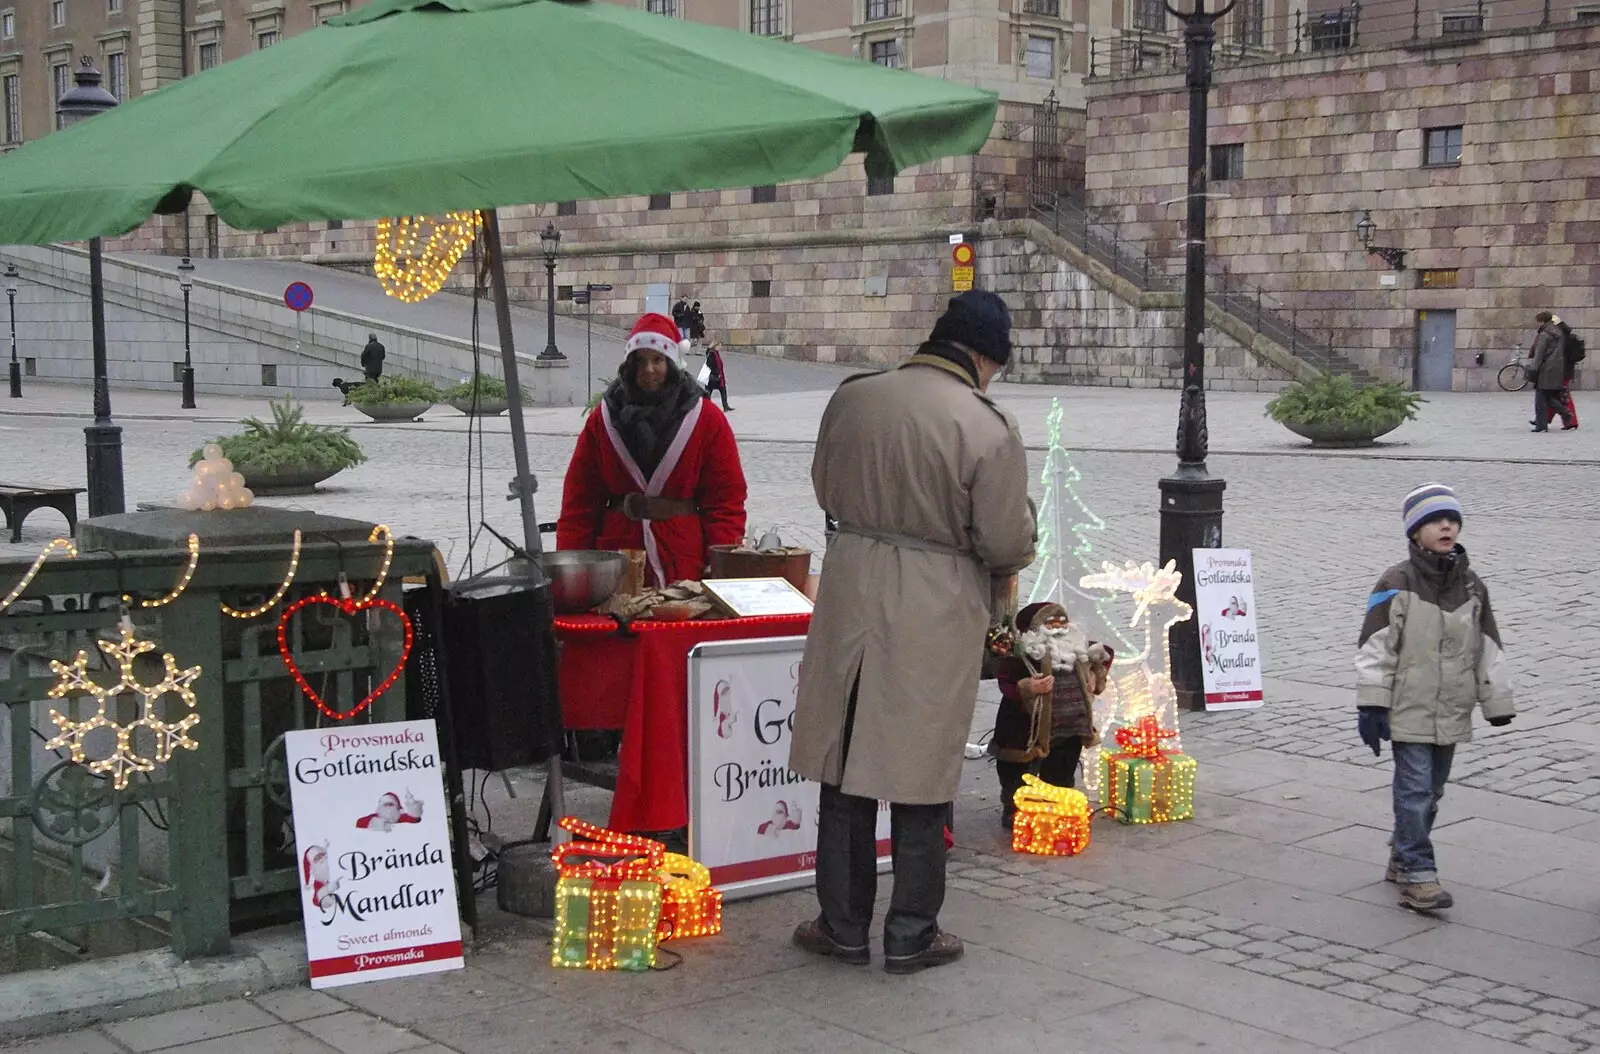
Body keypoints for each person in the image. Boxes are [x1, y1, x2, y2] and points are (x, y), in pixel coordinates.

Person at [788, 290, 1036, 974]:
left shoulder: (855, 397)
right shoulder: (987, 426)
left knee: (846, 765)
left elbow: (824, 486)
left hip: (852, 585)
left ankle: (840, 925)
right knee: (921, 772)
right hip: (934, 601)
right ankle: (910, 931)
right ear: (984, 357)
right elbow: (1006, 540)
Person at [1355, 483, 1513, 913]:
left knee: (1433, 792)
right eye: (1434, 521)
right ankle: (1419, 875)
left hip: (1452, 709)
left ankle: (1401, 853)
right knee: (1415, 791)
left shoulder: (1473, 587)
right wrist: (1372, 703)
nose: (1446, 526)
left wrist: (1496, 700)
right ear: (1415, 533)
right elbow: (1376, 645)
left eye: (1452, 520)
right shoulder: (1396, 582)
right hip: (1408, 707)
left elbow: (1488, 646)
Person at [556, 312, 747, 586]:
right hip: (616, 561)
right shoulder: (604, 419)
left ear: (671, 363)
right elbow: (580, 501)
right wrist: (573, 570)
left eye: (657, 360)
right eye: (640, 361)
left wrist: (720, 566)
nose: (649, 370)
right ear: (629, 365)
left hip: (683, 563)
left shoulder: (705, 419)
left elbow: (725, 500)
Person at [989, 602, 1113, 828]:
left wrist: (1096, 673)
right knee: (1019, 773)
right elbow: (1006, 681)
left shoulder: (1076, 648)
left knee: (1061, 771)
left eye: (1061, 622)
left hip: (1070, 728)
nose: (1057, 627)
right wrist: (1027, 687)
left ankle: (1058, 805)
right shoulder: (1024, 654)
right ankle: (1016, 809)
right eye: (1050, 623)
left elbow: (1105, 653)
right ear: (1034, 628)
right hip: (1026, 730)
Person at [1527, 312, 1573, 432]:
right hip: (1557, 368)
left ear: (1542, 321)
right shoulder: (1559, 332)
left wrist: (1534, 369)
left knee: (1541, 397)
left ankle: (1541, 426)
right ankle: (1565, 413)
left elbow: (1539, 354)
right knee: (1548, 396)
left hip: (1546, 368)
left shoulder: (1545, 334)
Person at [356, 790, 423, 831]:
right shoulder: (374, 817)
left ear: (397, 807)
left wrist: (413, 805)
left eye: (391, 804)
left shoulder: (400, 817)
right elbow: (360, 822)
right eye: (385, 804)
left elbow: (415, 818)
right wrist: (381, 824)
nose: (388, 807)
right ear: (380, 807)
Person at [704, 343, 733, 411]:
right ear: (715, 346)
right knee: (709, 392)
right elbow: (710, 365)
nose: (720, 347)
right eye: (719, 345)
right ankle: (706, 407)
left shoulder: (715, 353)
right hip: (714, 377)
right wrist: (716, 373)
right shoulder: (712, 354)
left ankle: (725, 406)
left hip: (716, 377)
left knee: (722, 390)